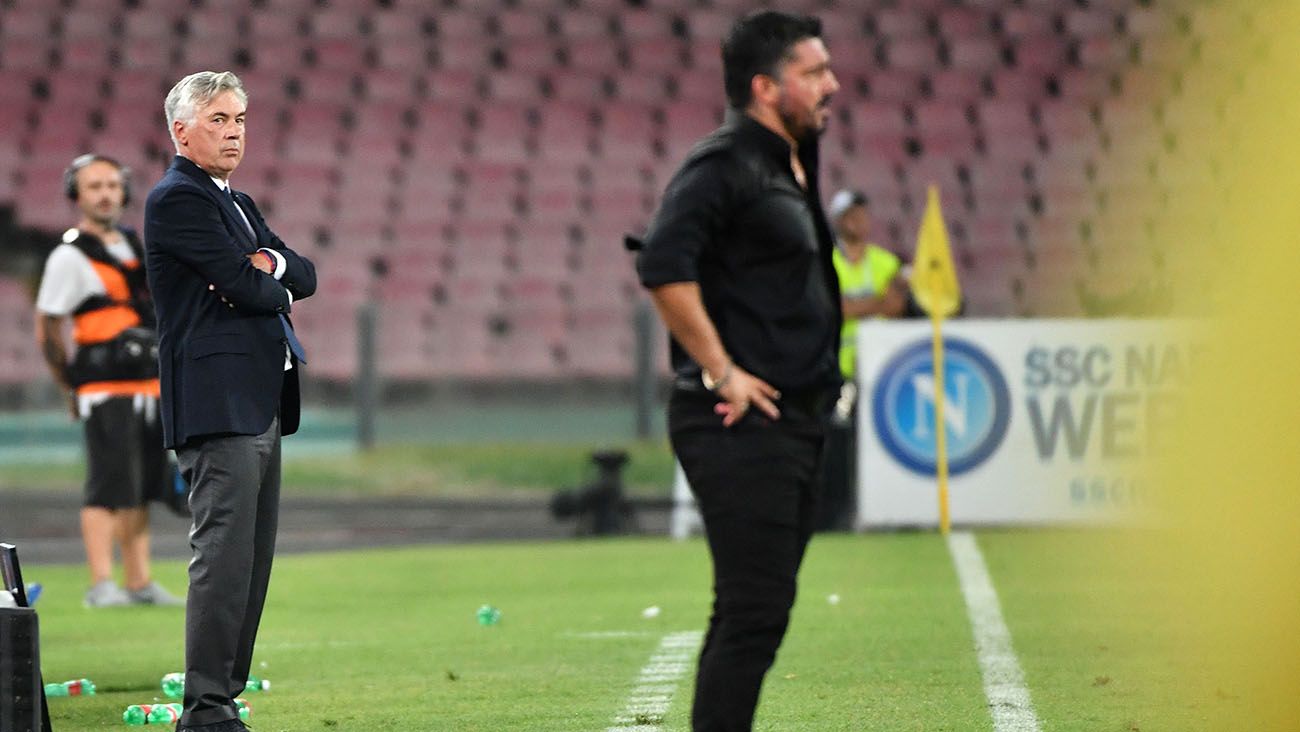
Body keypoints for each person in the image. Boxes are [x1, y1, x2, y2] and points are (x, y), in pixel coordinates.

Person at [636, 11, 841, 731]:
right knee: (754, 609)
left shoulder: (791, 158)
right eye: (813, 73)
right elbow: (663, 265)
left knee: (761, 608)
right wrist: (722, 371)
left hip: (795, 421)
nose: (831, 85)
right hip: (738, 421)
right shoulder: (725, 162)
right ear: (764, 86)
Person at [144, 71, 315, 732]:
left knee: (251, 562)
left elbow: (303, 273)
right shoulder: (176, 200)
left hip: (259, 399)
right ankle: (206, 708)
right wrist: (264, 273)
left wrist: (265, 266)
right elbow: (250, 289)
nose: (235, 130)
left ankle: (223, 698)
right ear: (181, 130)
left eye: (240, 117)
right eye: (218, 119)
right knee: (221, 560)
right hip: (217, 403)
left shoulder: (236, 202)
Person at [33, 153, 183, 608]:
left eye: (112, 185)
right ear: (76, 195)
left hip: (147, 387)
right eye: (93, 186)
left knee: (139, 487)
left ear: (124, 193)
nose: (104, 194)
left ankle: (138, 582)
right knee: (105, 487)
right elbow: (48, 327)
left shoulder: (134, 246)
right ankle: (101, 584)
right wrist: (70, 386)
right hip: (104, 388)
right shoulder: (68, 256)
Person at [820, 189, 908, 530]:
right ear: (839, 221)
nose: (858, 221)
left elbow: (898, 306)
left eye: (862, 213)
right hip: (839, 371)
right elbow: (830, 308)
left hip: (882, 370)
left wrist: (851, 307)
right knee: (839, 444)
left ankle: (883, 513)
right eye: (850, 215)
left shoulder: (884, 261)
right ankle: (838, 515)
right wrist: (875, 304)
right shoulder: (827, 262)